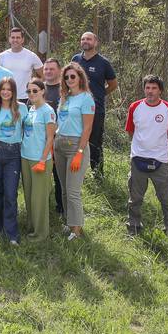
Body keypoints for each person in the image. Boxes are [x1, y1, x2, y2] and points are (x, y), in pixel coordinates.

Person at [125, 75, 168, 239]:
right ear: (144, 89)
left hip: (160, 161)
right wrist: (140, 147)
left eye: (154, 88)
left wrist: (161, 149)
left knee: (167, 198)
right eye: (147, 88)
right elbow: (130, 131)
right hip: (138, 159)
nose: (150, 91)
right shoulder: (135, 107)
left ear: (160, 90)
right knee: (135, 198)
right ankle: (133, 226)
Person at [0, 77, 26, 245]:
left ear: (14, 91)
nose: (6, 92)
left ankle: (12, 233)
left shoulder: (22, 108)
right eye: (3, 89)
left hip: (14, 153)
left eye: (9, 89)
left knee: (10, 193)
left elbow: (29, 130)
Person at [55, 62, 95, 240]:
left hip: (75, 146)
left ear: (80, 78)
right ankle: (69, 223)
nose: (69, 79)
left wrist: (79, 152)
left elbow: (87, 129)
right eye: (66, 77)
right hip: (59, 143)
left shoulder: (86, 98)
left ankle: (77, 231)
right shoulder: (65, 96)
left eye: (73, 76)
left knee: (73, 191)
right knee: (63, 189)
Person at [72, 32, 117, 177]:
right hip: (75, 108)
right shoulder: (76, 59)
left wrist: (99, 94)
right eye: (83, 39)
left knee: (95, 142)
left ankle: (97, 174)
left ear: (95, 42)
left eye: (88, 39)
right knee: (76, 139)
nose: (85, 41)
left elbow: (113, 84)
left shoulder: (103, 63)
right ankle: (76, 170)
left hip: (95, 109)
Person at [21, 79, 56, 242]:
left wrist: (43, 159)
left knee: (39, 198)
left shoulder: (47, 111)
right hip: (25, 157)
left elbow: (50, 138)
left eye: (35, 90)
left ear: (43, 91)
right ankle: (31, 227)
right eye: (29, 91)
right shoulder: (31, 109)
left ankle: (40, 234)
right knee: (28, 196)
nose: (31, 94)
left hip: (40, 159)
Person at [42, 58, 65, 215]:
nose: (48, 72)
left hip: (59, 139)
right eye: (46, 69)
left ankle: (61, 208)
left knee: (59, 176)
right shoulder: (38, 88)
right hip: (39, 139)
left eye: (52, 69)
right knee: (42, 175)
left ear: (59, 70)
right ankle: (41, 206)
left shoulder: (64, 89)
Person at [0, 28, 43, 104]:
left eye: (18, 37)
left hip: (26, 98)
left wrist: (36, 90)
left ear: (22, 40)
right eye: (13, 37)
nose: (15, 40)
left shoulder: (31, 56)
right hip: (6, 97)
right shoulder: (2, 56)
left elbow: (43, 74)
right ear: (9, 39)